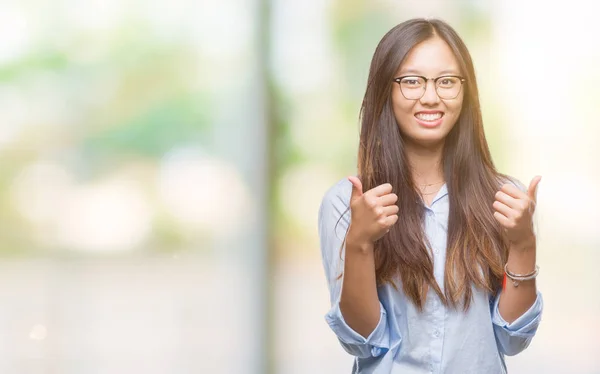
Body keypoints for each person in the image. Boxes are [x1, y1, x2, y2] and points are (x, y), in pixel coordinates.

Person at [318, 18, 543, 374]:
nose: (430, 96)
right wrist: (359, 243)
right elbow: (361, 341)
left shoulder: (504, 198)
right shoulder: (347, 203)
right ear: (385, 90)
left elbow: (512, 340)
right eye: (411, 81)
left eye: (447, 82)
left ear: (466, 92)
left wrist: (523, 243)